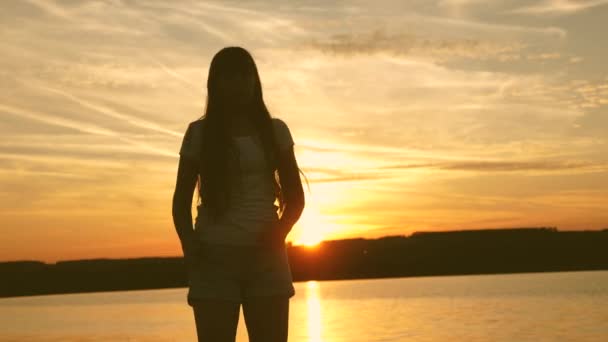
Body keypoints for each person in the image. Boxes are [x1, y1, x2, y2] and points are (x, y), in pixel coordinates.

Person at [172, 46, 307, 342]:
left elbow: (296, 199)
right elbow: (180, 204)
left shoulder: (275, 131)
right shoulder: (199, 134)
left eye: (244, 75)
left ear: (254, 81)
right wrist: (193, 251)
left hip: (267, 259)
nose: (238, 83)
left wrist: (277, 233)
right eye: (229, 76)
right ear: (216, 84)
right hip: (214, 259)